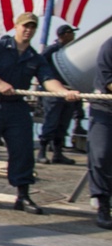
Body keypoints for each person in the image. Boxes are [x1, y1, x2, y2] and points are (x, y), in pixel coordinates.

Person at [0, 12, 80, 213]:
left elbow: (47, 79)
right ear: (16, 26)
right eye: (25, 26)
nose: (28, 30)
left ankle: (23, 196)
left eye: (32, 27)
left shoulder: (35, 57)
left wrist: (64, 92)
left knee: (23, 150)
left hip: (16, 107)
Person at [37, 23, 79, 165]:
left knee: (63, 124)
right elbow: (39, 66)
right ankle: (41, 152)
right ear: (64, 35)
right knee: (51, 122)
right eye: (71, 33)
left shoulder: (71, 50)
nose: (73, 36)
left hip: (68, 92)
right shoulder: (52, 50)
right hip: (53, 93)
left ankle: (58, 153)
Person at [87, 35, 112, 229]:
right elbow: (108, 82)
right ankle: (102, 203)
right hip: (104, 108)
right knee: (101, 154)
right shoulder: (109, 47)